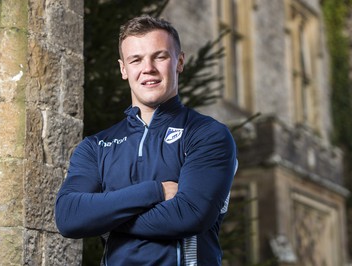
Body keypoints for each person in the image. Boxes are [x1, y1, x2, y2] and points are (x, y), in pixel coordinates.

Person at [55, 15, 237, 266]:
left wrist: (104, 216)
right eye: (136, 59)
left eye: (159, 56)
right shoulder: (96, 147)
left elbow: (189, 215)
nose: (148, 68)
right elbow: (68, 217)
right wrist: (156, 191)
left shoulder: (207, 134)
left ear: (179, 62)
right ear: (123, 69)